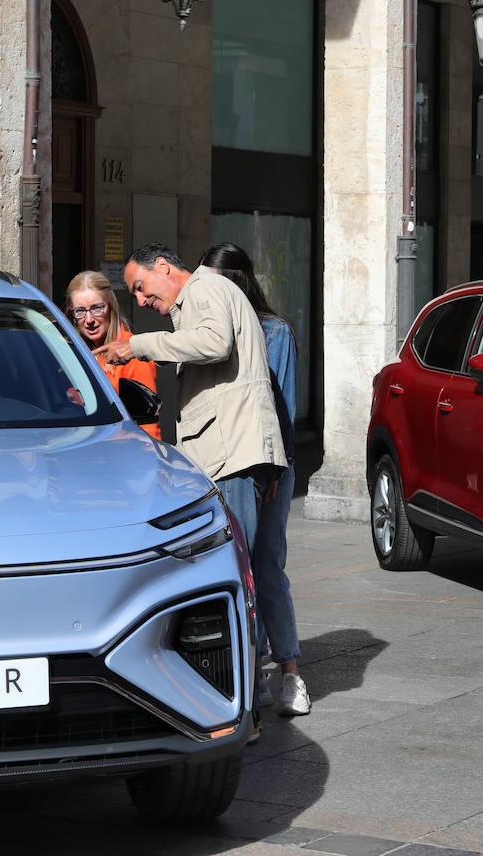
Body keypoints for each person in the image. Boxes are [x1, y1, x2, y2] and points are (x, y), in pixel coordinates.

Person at [95, 241, 287, 578]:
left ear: (162, 267)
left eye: (140, 287)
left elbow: (214, 341)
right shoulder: (202, 296)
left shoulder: (203, 287)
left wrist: (138, 345)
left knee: (235, 573)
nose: (140, 301)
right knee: (241, 573)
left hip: (232, 459)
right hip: (232, 456)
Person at [199, 243, 309, 717]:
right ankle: (254, 667)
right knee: (236, 571)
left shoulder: (273, 332)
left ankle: (290, 673)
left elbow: (283, 408)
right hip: (225, 464)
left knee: (267, 568)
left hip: (270, 463)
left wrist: (271, 469)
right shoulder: (205, 329)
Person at [63, 269, 160, 439]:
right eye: (80, 311)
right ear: (71, 314)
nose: (89, 320)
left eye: (97, 308)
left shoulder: (131, 355)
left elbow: (148, 426)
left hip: (119, 453)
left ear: (110, 307)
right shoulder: (66, 353)